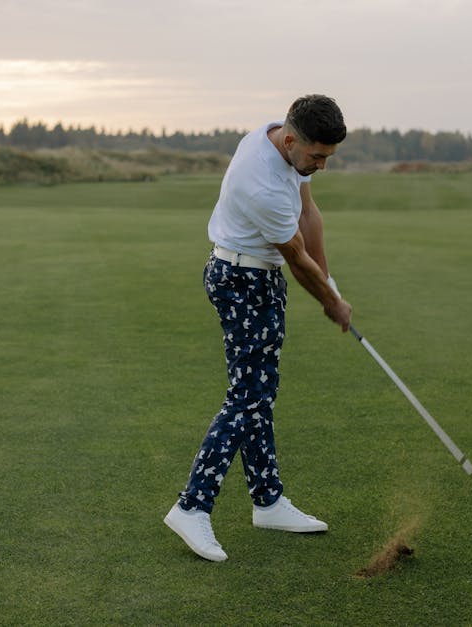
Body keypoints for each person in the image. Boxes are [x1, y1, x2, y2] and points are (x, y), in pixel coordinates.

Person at [164, 94, 353, 562]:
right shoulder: (262, 184)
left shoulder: (279, 140)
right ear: (291, 141)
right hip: (243, 281)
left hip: (254, 277)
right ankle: (192, 506)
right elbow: (295, 258)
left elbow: (309, 214)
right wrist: (332, 302)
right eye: (316, 157)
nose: (321, 167)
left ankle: (267, 500)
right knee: (248, 397)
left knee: (258, 392)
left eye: (327, 158)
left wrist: (329, 282)